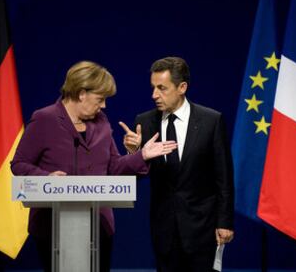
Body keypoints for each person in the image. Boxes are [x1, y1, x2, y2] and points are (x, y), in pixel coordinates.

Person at [11, 61, 177, 272]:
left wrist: (141, 155)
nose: (104, 106)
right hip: (52, 226)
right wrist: (45, 177)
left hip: (98, 226)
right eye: (101, 99)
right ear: (81, 94)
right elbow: (18, 164)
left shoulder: (101, 122)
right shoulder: (44, 119)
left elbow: (114, 167)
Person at [120, 57, 234, 272]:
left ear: (182, 87)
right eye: (153, 88)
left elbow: (224, 177)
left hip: (203, 226)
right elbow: (135, 178)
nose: (154, 95)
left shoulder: (211, 120)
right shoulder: (144, 121)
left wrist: (225, 222)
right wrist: (135, 153)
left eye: (162, 88)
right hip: (164, 228)